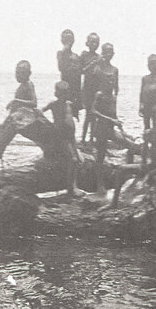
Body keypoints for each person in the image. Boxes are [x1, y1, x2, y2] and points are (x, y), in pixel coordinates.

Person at [41, 80, 81, 196]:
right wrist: (49, 126)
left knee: (78, 159)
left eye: (65, 93)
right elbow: (40, 111)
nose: (64, 95)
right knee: (72, 160)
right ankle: (71, 188)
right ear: (56, 93)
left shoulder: (69, 104)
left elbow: (71, 115)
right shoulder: (53, 104)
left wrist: (76, 115)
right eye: (61, 93)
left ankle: (74, 185)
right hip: (61, 137)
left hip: (71, 137)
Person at [89, 43, 120, 191]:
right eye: (106, 52)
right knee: (100, 153)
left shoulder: (115, 70)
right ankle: (99, 184)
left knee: (130, 145)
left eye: (111, 52)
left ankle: (128, 178)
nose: (111, 80)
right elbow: (93, 109)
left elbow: (116, 90)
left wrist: (117, 121)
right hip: (101, 122)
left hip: (110, 119)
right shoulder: (98, 69)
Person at [78, 32, 101, 143]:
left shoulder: (99, 57)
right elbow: (81, 71)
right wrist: (92, 64)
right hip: (87, 89)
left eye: (97, 42)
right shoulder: (84, 55)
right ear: (87, 43)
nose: (95, 44)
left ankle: (92, 139)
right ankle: (83, 139)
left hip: (96, 90)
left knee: (94, 115)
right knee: (88, 114)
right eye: (92, 41)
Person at [56, 29, 82, 119]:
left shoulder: (76, 56)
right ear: (62, 41)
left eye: (70, 40)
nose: (69, 42)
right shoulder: (60, 53)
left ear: (73, 41)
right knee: (63, 111)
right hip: (65, 88)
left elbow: (80, 73)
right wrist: (65, 49)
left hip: (75, 88)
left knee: (73, 111)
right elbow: (60, 67)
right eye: (66, 40)